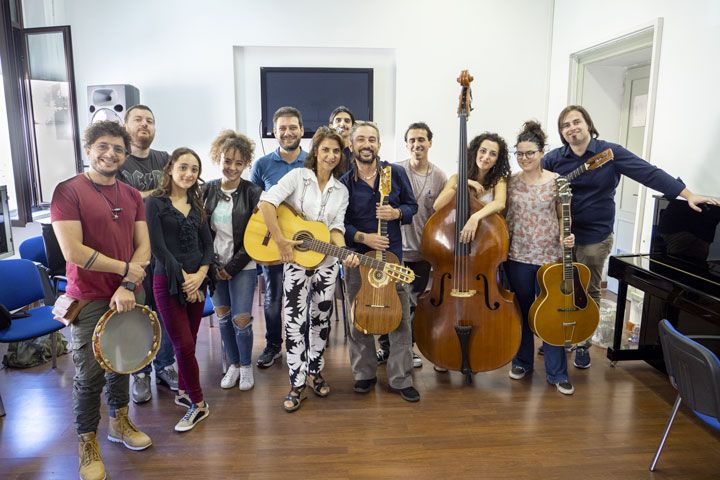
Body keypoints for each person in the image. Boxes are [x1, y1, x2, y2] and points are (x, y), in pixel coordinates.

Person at [543, 105, 720, 369]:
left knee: (588, 288)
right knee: (560, 287)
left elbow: (648, 172)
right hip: (560, 235)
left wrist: (688, 195)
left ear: (588, 124)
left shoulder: (610, 154)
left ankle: (582, 342)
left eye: (576, 122)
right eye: (565, 125)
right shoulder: (554, 159)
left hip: (594, 235)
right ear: (561, 133)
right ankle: (560, 336)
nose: (571, 128)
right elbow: (534, 184)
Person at [52, 120, 152, 480]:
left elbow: (144, 246)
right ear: (89, 149)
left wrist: (126, 281)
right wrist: (126, 268)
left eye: (118, 149)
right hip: (90, 297)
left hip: (129, 290)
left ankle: (119, 422)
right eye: (103, 146)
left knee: (122, 361)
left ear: (125, 155)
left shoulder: (131, 195)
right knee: (90, 374)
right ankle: (87, 441)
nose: (111, 154)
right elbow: (73, 251)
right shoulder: (68, 191)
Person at [258, 127, 359, 412]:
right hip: (295, 263)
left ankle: (315, 370)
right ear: (316, 151)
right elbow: (267, 202)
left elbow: (337, 228)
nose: (330, 155)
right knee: (294, 321)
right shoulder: (298, 177)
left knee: (321, 318)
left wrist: (344, 252)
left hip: (326, 265)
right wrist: (280, 240)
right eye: (325, 149)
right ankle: (296, 382)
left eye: (336, 151)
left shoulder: (342, 190)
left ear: (341, 157)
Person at [341, 121, 420, 403]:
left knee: (400, 319)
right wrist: (364, 237)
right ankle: (364, 373)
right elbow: (339, 224)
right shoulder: (344, 183)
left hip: (392, 259)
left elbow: (413, 206)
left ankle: (401, 378)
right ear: (351, 145)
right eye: (361, 139)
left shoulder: (395, 173)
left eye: (372, 139)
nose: (367, 144)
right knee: (358, 318)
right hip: (358, 259)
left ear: (379, 145)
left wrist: (396, 213)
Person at [505, 120, 576, 395]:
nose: (524, 158)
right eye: (520, 153)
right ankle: (522, 361)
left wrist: (568, 236)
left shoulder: (557, 182)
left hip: (550, 258)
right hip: (518, 256)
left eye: (530, 153)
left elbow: (563, 216)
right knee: (522, 312)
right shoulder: (510, 183)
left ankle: (557, 373)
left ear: (542, 152)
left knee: (552, 314)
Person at [145, 148, 213, 432]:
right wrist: (187, 279)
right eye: (183, 167)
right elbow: (159, 249)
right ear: (170, 168)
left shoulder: (197, 204)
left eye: (194, 169)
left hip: (198, 281)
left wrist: (201, 275)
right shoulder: (154, 204)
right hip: (169, 282)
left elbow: (207, 245)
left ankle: (185, 392)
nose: (189, 174)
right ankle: (199, 404)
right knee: (182, 345)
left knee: (191, 340)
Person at [431, 131, 511, 372]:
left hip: (484, 251)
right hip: (455, 253)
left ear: (498, 159)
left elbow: (499, 204)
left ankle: (481, 350)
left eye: (493, 154)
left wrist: (475, 217)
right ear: (475, 152)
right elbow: (437, 205)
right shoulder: (457, 177)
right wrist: (462, 184)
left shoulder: (499, 181)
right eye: (483, 151)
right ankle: (445, 349)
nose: (486, 157)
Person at [119, 104, 178, 403]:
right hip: (132, 254)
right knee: (139, 315)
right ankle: (139, 373)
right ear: (125, 125)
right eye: (138, 120)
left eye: (150, 121)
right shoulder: (118, 160)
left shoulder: (164, 159)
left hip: (164, 251)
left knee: (164, 313)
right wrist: (156, 195)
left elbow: (177, 193)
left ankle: (164, 366)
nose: (145, 125)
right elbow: (123, 203)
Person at [376, 122, 447, 369]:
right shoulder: (394, 171)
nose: (417, 144)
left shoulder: (439, 176)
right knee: (390, 301)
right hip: (395, 251)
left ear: (430, 142)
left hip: (421, 251)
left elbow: (441, 212)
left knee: (413, 303)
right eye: (412, 140)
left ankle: (408, 349)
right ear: (406, 144)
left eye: (422, 140)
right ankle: (386, 347)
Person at [203, 130, 262, 391]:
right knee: (224, 318)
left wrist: (231, 267)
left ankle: (247, 367)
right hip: (214, 266)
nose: (232, 167)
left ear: (246, 164)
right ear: (219, 158)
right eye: (228, 161)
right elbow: (201, 232)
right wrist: (214, 265)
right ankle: (233, 366)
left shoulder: (252, 192)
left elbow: (257, 236)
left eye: (239, 163)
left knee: (241, 319)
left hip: (243, 266)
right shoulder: (207, 190)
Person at [250, 106, 307, 369]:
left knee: (304, 297)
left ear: (302, 130)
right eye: (282, 128)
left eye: (292, 127)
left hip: (304, 243)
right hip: (272, 242)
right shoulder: (262, 165)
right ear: (274, 132)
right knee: (273, 299)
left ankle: (303, 344)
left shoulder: (312, 163)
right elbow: (256, 207)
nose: (287, 132)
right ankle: (273, 345)